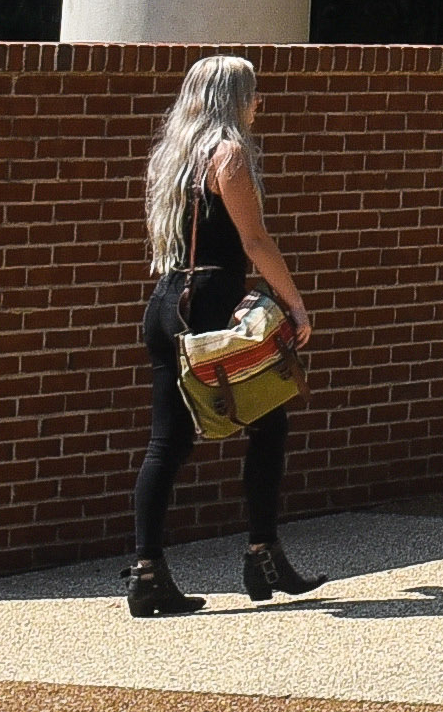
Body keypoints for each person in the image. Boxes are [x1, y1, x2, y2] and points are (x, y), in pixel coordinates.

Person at [130, 54, 316, 618]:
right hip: (212, 305)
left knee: (168, 443)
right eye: (254, 94)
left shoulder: (173, 157)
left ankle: (147, 572)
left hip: (167, 303)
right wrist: (295, 303)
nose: (260, 104)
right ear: (235, 99)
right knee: (269, 423)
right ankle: (262, 554)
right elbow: (255, 241)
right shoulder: (228, 154)